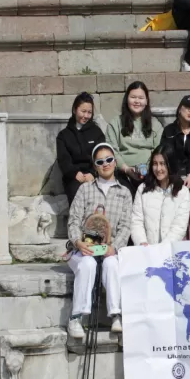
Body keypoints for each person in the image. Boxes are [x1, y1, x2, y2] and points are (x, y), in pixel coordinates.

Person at [65, 143, 131, 339]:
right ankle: (76, 318)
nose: (105, 164)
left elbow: (125, 226)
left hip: (109, 248)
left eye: (109, 160)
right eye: (100, 162)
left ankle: (115, 315)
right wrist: (78, 242)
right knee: (87, 264)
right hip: (83, 248)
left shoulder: (124, 192)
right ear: (94, 166)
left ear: (115, 162)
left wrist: (114, 247)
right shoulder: (85, 189)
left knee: (111, 264)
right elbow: (74, 220)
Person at [105, 81, 163, 192]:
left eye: (141, 98)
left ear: (146, 101)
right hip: (123, 173)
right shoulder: (116, 123)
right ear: (127, 99)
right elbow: (111, 151)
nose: (137, 101)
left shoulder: (155, 124)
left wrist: (146, 170)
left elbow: (159, 150)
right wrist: (126, 169)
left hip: (150, 173)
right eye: (133, 97)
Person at [131, 148, 190, 245]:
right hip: (146, 251)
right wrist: (141, 242)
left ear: (170, 165)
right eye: (155, 163)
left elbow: (179, 227)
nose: (158, 169)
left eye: (162, 164)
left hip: (169, 251)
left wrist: (163, 248)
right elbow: (136, 221)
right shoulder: (142, 189)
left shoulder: (183, 192)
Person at [55, 91, 105, 204]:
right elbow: (63, 159)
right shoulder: (64, 135)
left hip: (95, 174)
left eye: (89, 112)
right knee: (78, 197)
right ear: (74, 110)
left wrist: (93, 173)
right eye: (83, 111)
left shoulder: (97, 132)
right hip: (74, 178)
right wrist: (74, 173)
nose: (86, 116)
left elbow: (102, 154)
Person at [159, 94, 190, 208]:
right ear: (180, 109)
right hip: (172, 174)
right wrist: (176, 176)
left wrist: (189, 175)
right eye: (188, 107)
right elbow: (166, 154)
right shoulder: (169, 131)